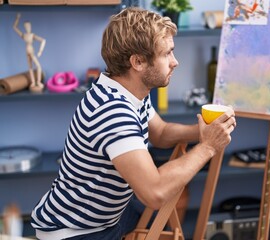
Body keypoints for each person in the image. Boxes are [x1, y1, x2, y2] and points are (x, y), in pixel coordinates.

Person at [31, 7, 236, 240]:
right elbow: (155, 191)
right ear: (138, 62)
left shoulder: (127, 90)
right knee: (153, 200)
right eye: (167, 53)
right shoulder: (113, 111)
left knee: (150, 215)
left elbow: (160, 132)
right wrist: (208, 147)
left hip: (106, 217)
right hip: (78, 232)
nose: (175, 62)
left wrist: (200, 132)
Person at [13, 13, 46, 93]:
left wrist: (40, 51)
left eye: (28, 26)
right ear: (24, 27)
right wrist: (17, 18)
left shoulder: (32, 35)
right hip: (27, 52)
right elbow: (14, 27)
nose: (27, 27)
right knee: (30, 68)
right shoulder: (24, 35)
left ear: (30, 26)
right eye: (26, 26)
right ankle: (33, 82)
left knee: (38, 66)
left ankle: (38, 82)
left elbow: (43, 40)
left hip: (32, 52)